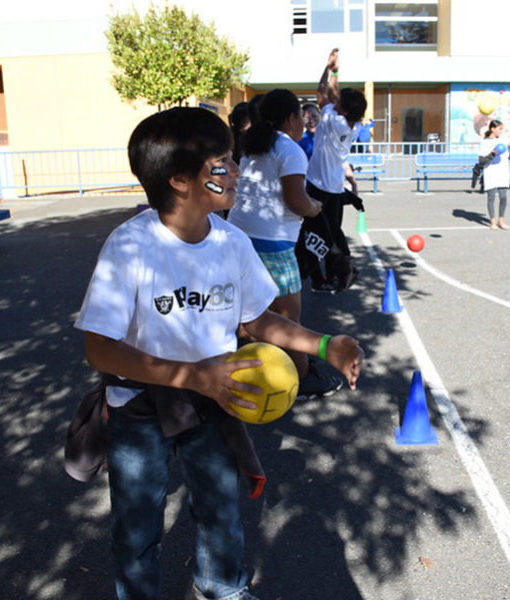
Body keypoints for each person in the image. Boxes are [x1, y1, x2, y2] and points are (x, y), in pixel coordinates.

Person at [74, 106, 364, 600]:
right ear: (181, 180)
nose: (237, 171)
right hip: (140, 408)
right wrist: (191, 376)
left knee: (220, 509)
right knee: (137, 523)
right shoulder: (131, 247)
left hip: (216, 399)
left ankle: (223, 589)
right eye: (222, 164)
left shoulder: (231, 242)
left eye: (234, 160)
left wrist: (322, 345)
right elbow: (100, 348)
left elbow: (256, 319)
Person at [227, 89, 343, 400]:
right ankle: (303, 379)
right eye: (302, 118)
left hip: (239, 236)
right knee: (289, 316)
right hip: (273, 244)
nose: (304, 124)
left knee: (250, 314)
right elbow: (296, 200)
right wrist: (315, 208)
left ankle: (249, 373)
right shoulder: (289, 149)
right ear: (292, 118)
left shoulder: (254, 145)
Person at [302, 48, 367, 293]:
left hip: (318, 186)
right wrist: (335, 71)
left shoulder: (334, 120)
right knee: (331, 232)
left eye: (338, 103)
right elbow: (332, 95)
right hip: (335, 186)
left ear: (344, 110)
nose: (334, 102)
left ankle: (330, 272)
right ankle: (339, 269)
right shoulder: (350, 124)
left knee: (315, 233)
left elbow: (322, 93)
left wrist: (329, 69)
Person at [477, 119, 510, 230]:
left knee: (503, 197)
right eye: (499, 129)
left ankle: (501, 221)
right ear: (493, 129)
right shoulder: (485, 142)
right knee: (491, 198)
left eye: (502, 129)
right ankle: (492, 222)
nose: (501, 131)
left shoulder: (504, 140)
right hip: (491, 172)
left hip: (502, 172)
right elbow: (481, 161)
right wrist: (493, 153)